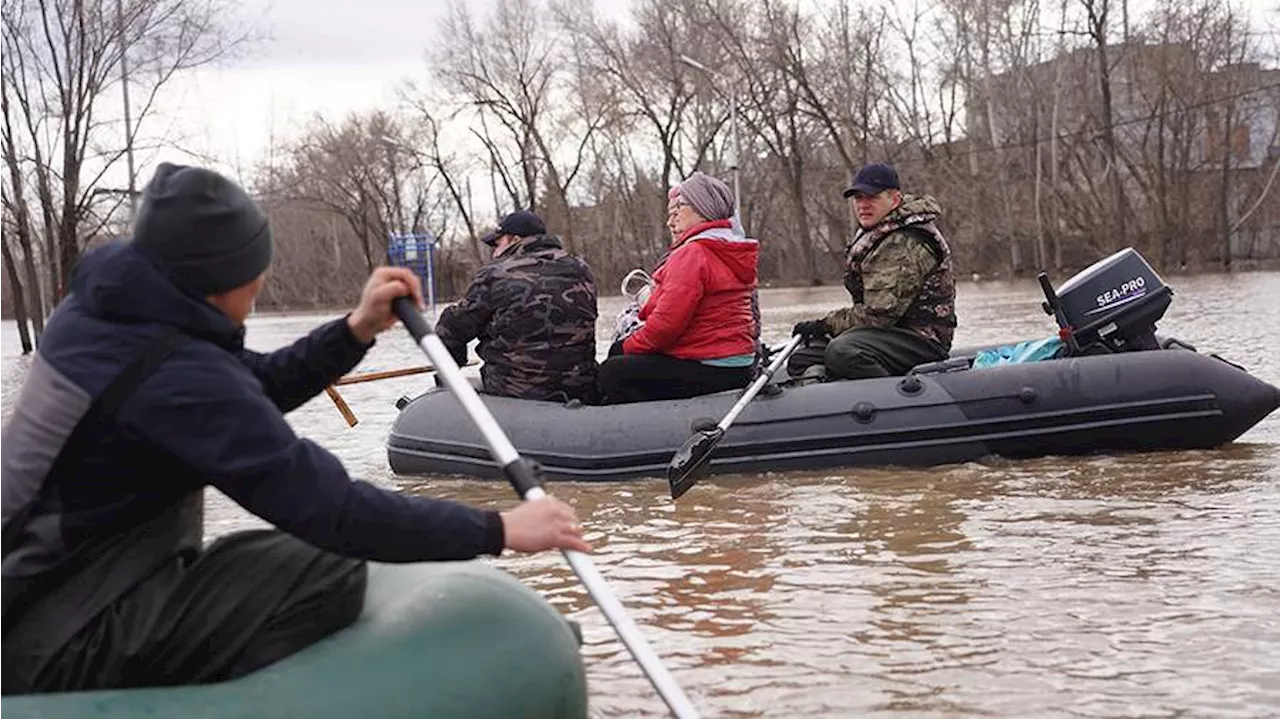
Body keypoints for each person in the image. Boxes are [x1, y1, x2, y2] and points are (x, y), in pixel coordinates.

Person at [0, 163, 590, 695]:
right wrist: (500, 528)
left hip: (48, 595)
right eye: (254, 278)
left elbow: (242, 389)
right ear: (217, 280)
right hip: (62, 639)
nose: (258, 292)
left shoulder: (104, 315)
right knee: (323, 565)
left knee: (266, 554)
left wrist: (355, 329)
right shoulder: (174, 372)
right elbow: (331, 510)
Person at [597, 172, 759, 404]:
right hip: (738, 362)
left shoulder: (693, 254)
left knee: (613, 371)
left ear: (702, 210)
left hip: (712, 366)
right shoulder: (729, 249)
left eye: (679, 208)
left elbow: (665, 327)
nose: (670, 220)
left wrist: (624, 347)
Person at [788, 163, 957, 380]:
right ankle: (828, 395)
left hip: (921, 340)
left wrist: (825, 324)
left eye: (872, 198)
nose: (863, 205)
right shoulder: (880, 231)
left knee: (842, 351)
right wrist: (822, 329)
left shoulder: (903, 243)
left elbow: (878, 315)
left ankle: (892, 400)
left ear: (894, 200)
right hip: (888, 334)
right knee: (804, 357)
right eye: (858, 198)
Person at [435, 210, 598, 404]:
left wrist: (453, 365)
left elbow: (452, 327)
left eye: (497, 243)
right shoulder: (581, 269)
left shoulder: (496, 273)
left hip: (516, 390)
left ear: (514, 240)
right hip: (581, 387)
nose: (494, 251)